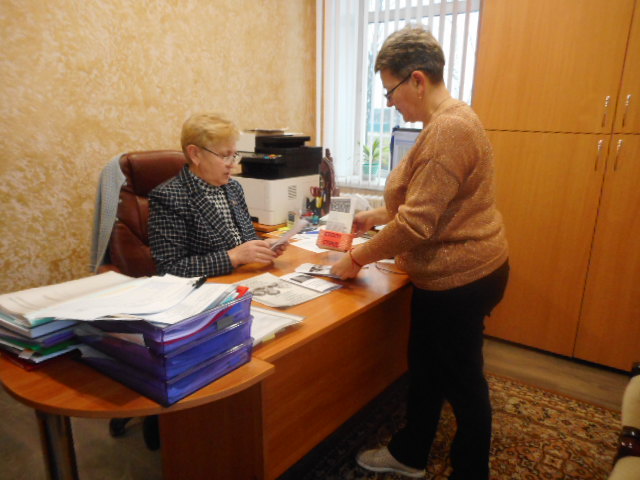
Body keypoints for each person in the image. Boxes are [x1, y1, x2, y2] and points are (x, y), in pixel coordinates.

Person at [330, 26, 509, 479]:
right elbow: (428, 201)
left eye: (390, 91)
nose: (390, 102)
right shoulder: (448, 121)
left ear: (417, 80)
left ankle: (471, 470)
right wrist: (375, 215)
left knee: (462, 380)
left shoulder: (448, 130)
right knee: (428, 368)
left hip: (459, 278)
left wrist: (355, 258)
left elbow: (416, 223)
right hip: (462, 272)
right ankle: (411, 453)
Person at [149, 112, 286, 278]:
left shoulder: (233, 187)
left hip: (244, 277)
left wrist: (263, 246)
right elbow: (169, 268)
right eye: (225, 156)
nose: (233, 165)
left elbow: (242, 239)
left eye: (234, 155)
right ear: (195, 154)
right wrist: (233, 257)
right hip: (208, 286)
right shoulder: (169, 197)